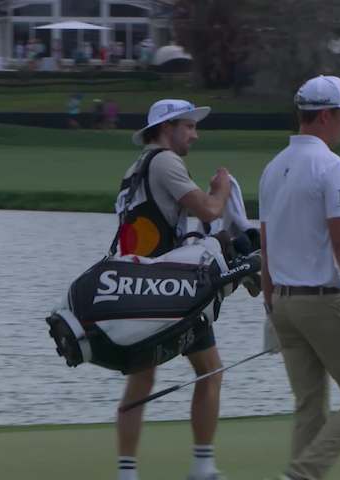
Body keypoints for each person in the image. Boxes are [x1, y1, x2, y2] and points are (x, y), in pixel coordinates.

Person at [259, 75, 340, 480]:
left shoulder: (272, 168)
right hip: (323, 300)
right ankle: (302, 474)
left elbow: (266, 244)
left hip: (283, 303)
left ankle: (300, 474)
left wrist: (270, 304)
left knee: (310, 407)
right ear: (326, 115)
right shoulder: (332, 166)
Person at [114, 99, 233, 480]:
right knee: (210, 371)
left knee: (142, 379)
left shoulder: (136, 167)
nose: (195, 135)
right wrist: (223, 189)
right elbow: (209, 210)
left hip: (136, 287)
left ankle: (127, 473)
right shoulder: (165, 162)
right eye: (189, 126)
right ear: (168, 128)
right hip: (170, 288)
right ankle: (202, 467)